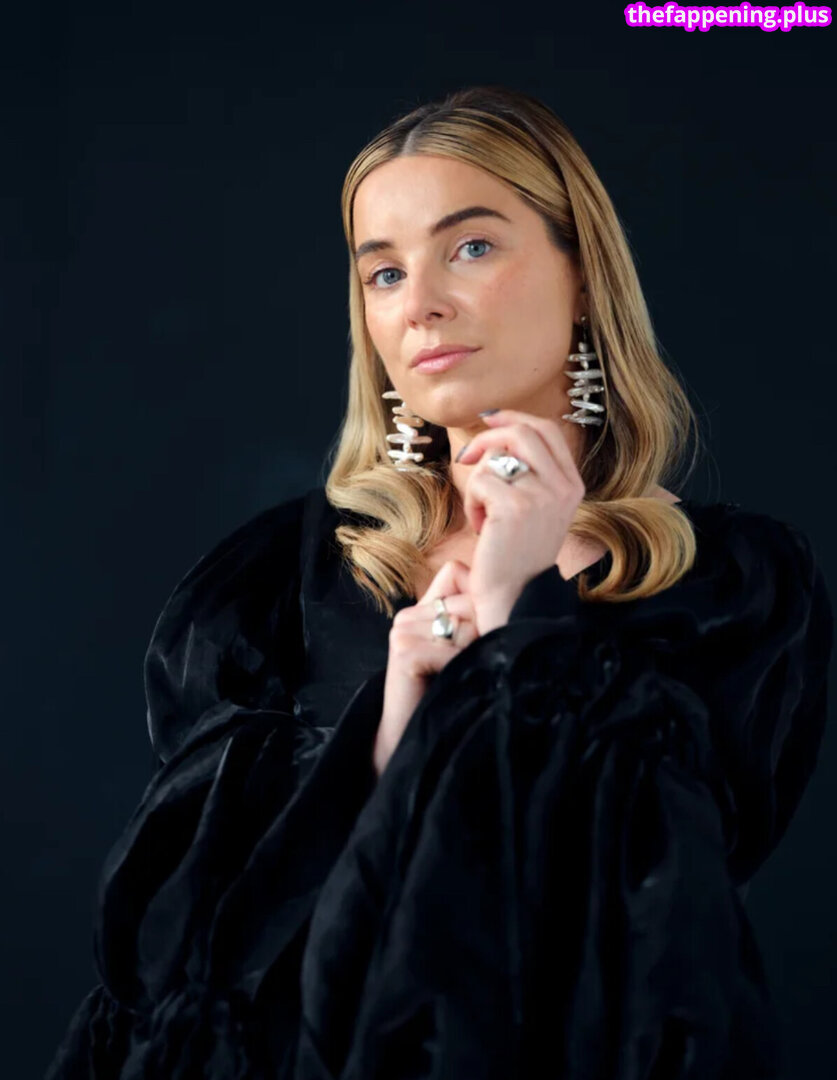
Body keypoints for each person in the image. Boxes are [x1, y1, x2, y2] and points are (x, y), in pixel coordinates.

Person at [46, 85, 832, 1080]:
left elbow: (648, 933)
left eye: (470, 247)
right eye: (383, 271)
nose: (419, 303)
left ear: (583, 275)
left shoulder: (732, 594)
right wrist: (389, 734)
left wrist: (517, 612)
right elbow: (187, 952)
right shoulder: (269, 588)